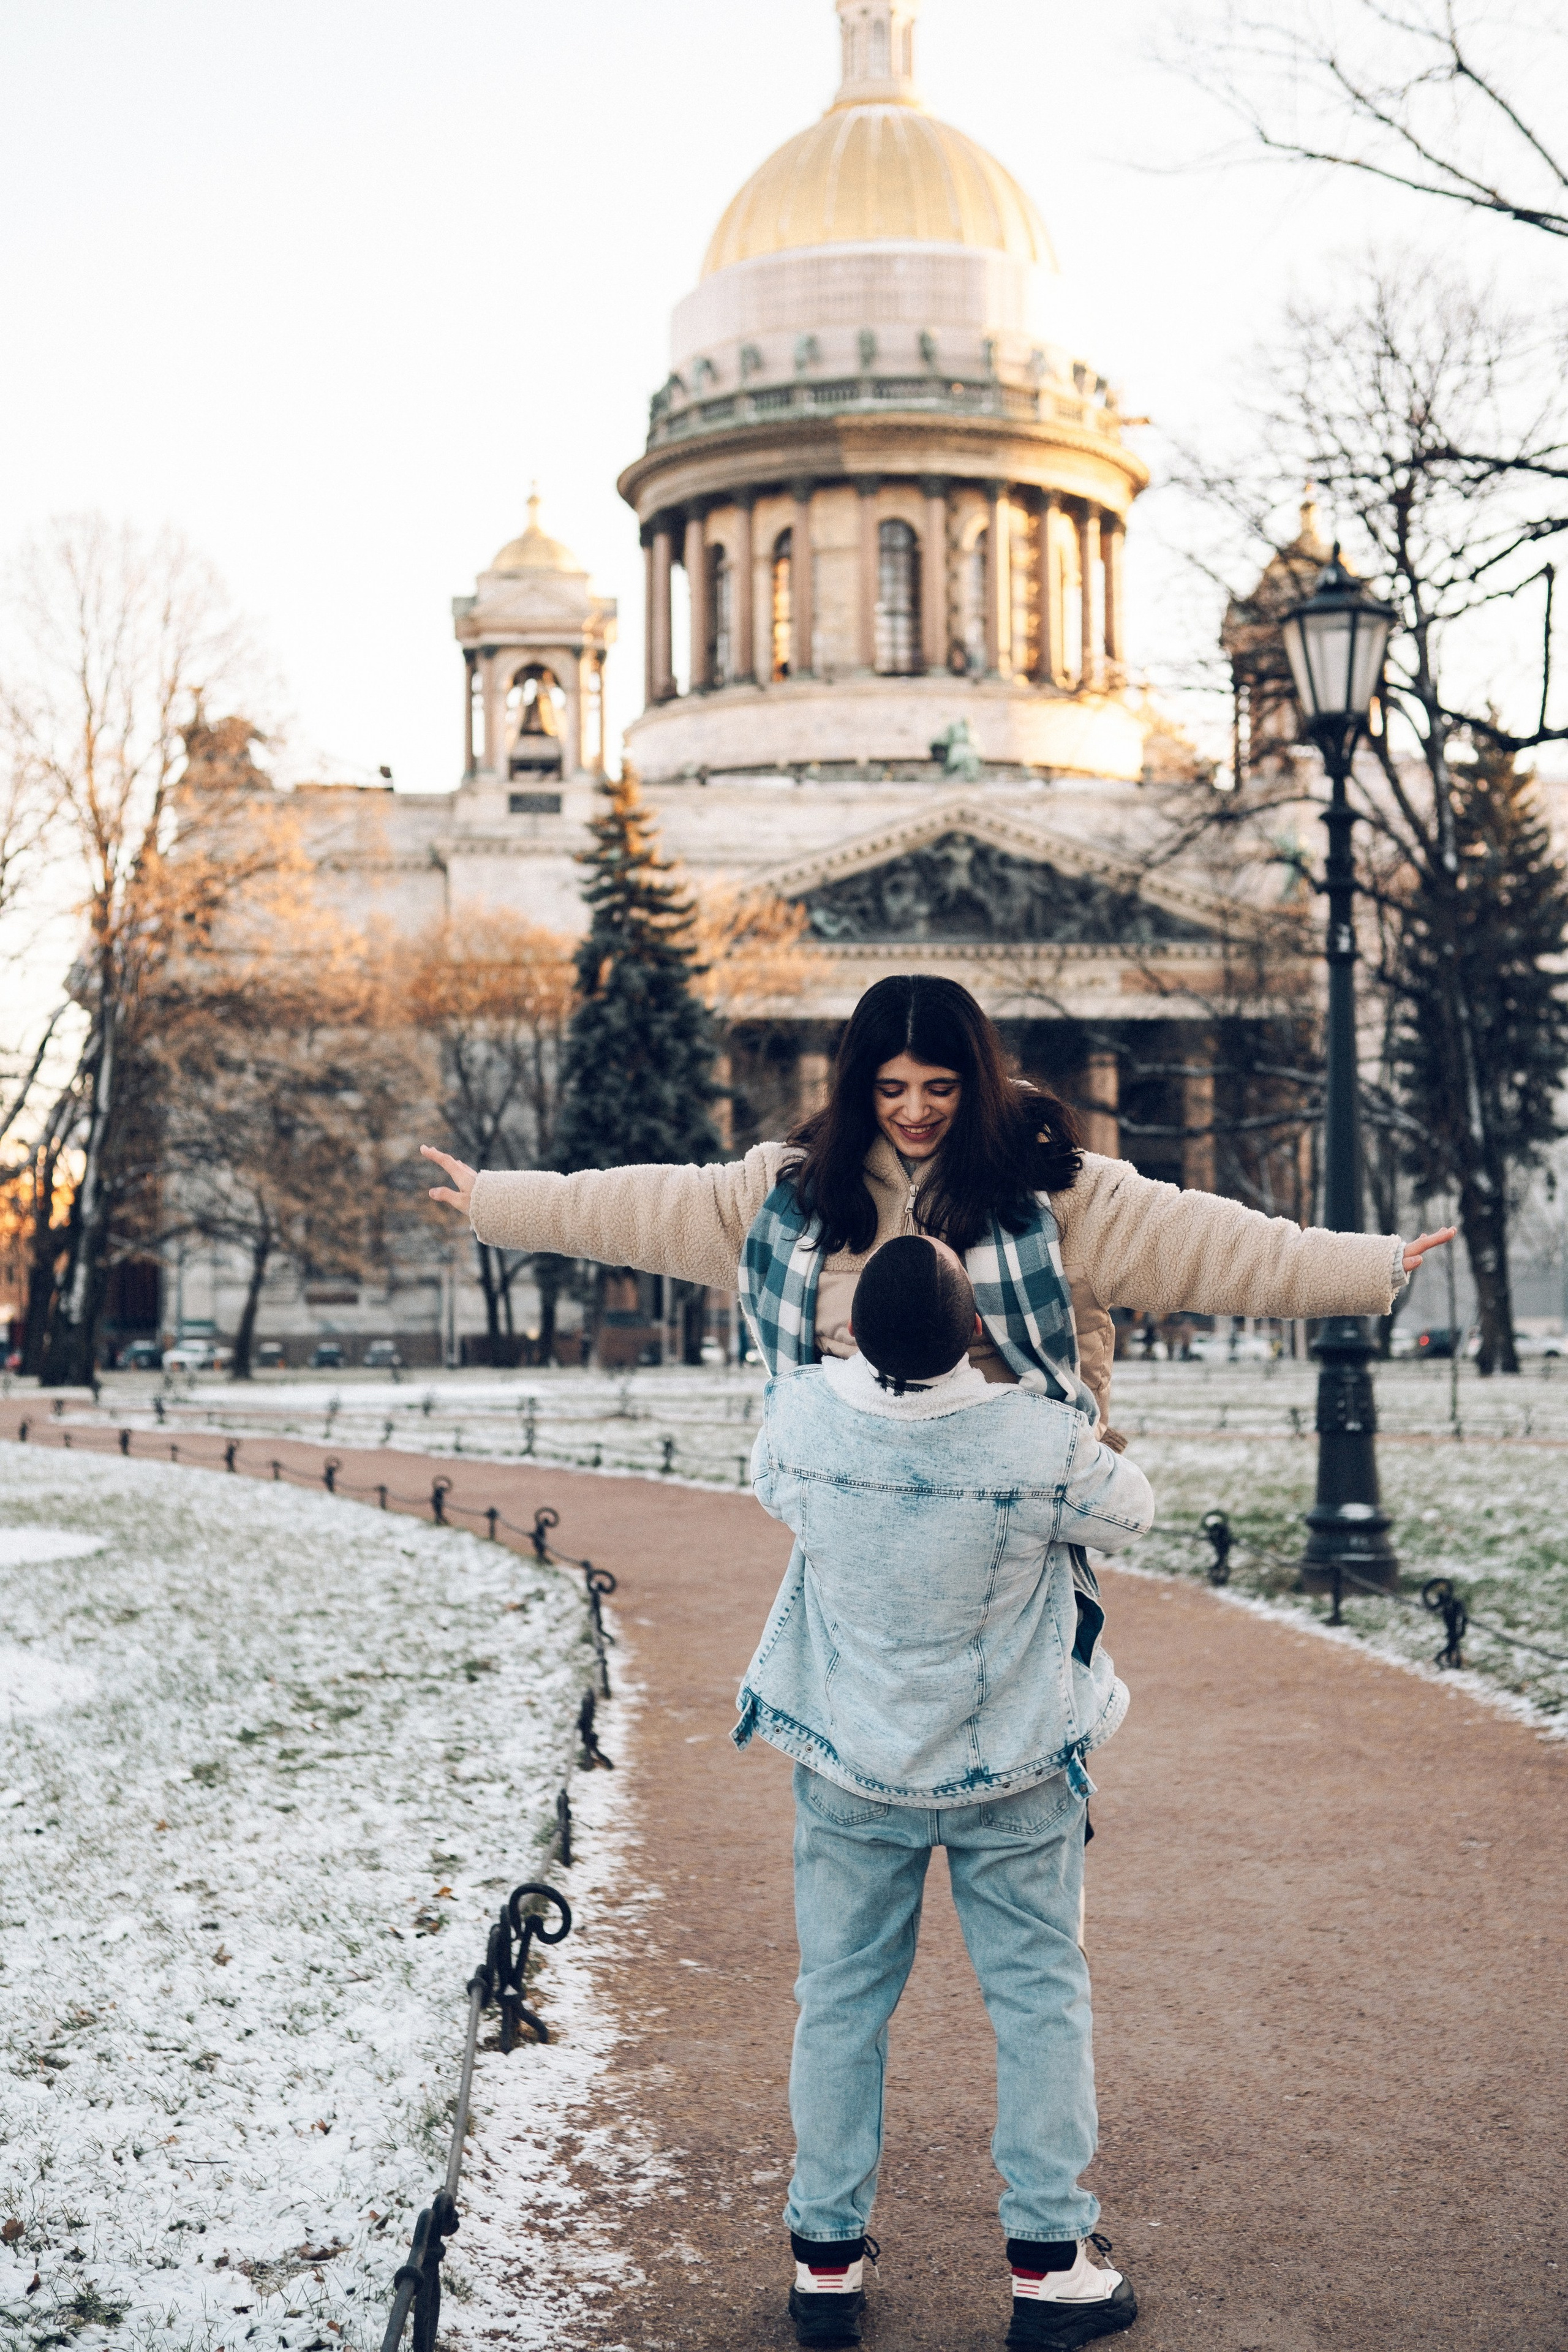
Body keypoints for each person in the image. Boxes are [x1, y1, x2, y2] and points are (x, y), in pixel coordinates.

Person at [421, 972, 1454, 1438]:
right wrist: (498, 1200)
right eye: (892, 1087)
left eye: (941, 1087)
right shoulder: (791, 1195)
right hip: (857, 1502)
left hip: (1013, 1507)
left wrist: (1368, 1267)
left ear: (977, 1082)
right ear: (860, 1084)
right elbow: (642, 1209)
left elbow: (1216, 1246)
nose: (916, 1113)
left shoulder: (1054, 1191)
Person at [747, 1233, 1153, 2348]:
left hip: (848, 1760)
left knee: (839, 2004)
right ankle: (1049, 2265)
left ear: (855, 1332)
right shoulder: (1035, 1436)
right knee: (1036, 2001)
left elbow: (774, 1480)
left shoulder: (800, 1414)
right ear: (977, 1327)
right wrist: (1066, 1389)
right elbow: (1134, 1513)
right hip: (1010, 1765)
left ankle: (824, 2263)